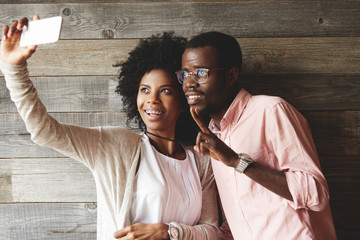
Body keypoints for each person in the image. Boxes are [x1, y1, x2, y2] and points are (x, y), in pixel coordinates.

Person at [0, 16, 219, 240]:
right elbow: (45, 132)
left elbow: (212, 231)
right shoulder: (113, 145)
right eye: (144, 89)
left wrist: (168, 231)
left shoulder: (201, 161)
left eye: (165, 91)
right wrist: (14, 69)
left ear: (183, 101)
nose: (151, 100)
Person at [176, 31, 337, 240]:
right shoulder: (214, 136)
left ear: (231, 76)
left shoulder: (270, 110)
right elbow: (239, 223)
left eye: (200, 73)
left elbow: (316, 194)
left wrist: (236, 161)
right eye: (184, 74)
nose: (189, 83)